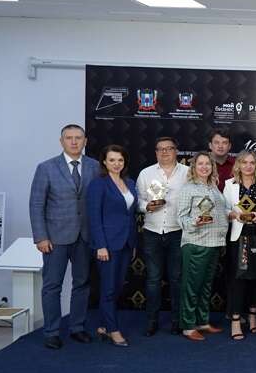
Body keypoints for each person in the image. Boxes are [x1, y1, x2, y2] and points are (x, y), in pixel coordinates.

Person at [29, 124, 101, 349]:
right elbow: (36, 204)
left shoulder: (95, 166)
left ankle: (77, 328)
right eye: (69, 138)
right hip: (54, 238)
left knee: (82, 284)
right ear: (61, 142)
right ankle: (51, 332)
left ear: (85, 141)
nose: (74, 142)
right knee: (52, 286)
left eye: (78, 138)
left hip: (85, 236)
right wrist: (40, 237)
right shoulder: (46, 168)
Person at [137, 136, 189, 337]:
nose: (165, 152)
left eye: (169, 148)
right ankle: (151, 321)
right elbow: (138, 200)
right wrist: (147, 206)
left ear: (176, 151)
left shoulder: (187, 172)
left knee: (177, 279)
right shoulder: (146, 173)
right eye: (160, 149)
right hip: (152, 231)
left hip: (178, 232)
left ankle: (177, 321)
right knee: (153, 280)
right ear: (156, 152)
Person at [86, 144, 137, 347]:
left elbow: (130, 214)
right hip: (107, 244)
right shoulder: (98, 184)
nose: (116, 164)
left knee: (116, 288)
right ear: (104, 162)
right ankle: (113, 330)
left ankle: (104, 325)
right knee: (108, 288)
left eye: (120, 160)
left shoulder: (130, 183)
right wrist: (100, 245)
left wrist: (133, 243)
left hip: (126, 242)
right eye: (112, 160)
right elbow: (94, 217)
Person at [176, 152, 229, 341]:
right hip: (196, 242)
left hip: (215, 242)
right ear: (194, 167)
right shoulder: (188, 188)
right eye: (200, 164)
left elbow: (221, 212)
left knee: (206, 285)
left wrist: (234, 213)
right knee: (192, 286)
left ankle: (202, 321)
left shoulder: (213, 187)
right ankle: (188, 326)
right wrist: (195, 222)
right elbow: (181, 217)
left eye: (208, 164)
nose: (204, 167)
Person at [223, 151, 256, 341]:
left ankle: (253, 317)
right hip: (239, 235)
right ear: (238, 164)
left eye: (252, 162)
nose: (248, 166)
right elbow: (224, 209)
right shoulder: (229, 184)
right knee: (239, 278)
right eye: (244, 162)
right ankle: (236, 320)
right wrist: (235, 215)